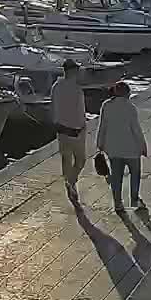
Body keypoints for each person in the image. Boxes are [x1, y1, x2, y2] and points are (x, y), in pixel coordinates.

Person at [97, 81, 148, 213]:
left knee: (116, 177)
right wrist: (143, 146)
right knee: (135, 175)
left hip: (114, 149)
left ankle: (118, 203)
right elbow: (136, 129)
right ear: (127, 93)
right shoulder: (130, 107)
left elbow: (102, 127)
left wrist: (100, 144)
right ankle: (134, 200)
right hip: (131, 150)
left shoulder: (106, 106)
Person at [51, 59, 88, 202]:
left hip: (61, 129)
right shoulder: (76, 89)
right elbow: (80, 111)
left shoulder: (56, 86)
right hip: (75, 130)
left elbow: (53, 106)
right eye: (77, 70)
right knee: (81, 159)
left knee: (66, 159)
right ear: (72, 71)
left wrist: (56, 122)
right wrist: (83, 126)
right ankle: (71, 181)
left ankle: (69, 183)